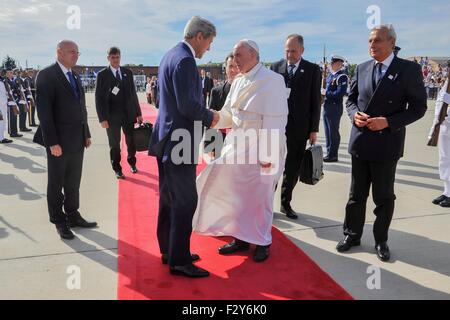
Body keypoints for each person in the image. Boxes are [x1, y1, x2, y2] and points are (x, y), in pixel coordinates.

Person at [336, 24, 427, 261]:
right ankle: (352, 234)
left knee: (383, 197)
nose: (372, 45)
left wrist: (388, 122)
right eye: (369, 41)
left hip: (386, 143)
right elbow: (351, 100)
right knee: (356, 195)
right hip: (361, 142)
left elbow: (418, 108)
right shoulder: (362, 68)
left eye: (377, 41)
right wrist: (354, 114)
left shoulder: (408, 69)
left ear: (391, 42)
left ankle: (380, 240)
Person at [193, 39, 288, 263]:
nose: (234, 60)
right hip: (237, 147)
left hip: (263, 149)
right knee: (237, 196)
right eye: (234, 56)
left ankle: (263, 241)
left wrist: (268, 156)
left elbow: (275, 122)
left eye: (239, 56)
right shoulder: (237, 81)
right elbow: (229, 113)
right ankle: (241, 238)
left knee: (261, 199)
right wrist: (211, 117)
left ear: (254, 56)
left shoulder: (273, 80)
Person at [148, 16, 219, 278]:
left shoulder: (170, 55)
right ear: (199, 36)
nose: (208, 48)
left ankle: (169, 249)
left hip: (166, 139)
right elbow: (187, 105)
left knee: (168, 199)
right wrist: (211, 116)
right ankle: (179, 260)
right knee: (185, 201)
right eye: (209, 42)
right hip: (180, 141)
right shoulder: (186, 60)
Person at [33, 40, 98, 240]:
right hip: (58, 142)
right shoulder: (46, 76)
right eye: (72, 52)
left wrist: (86, 133)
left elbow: (81, 108)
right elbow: (44, 114)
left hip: (77, 140)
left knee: (73, 181)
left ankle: (72, 214)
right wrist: (52, 142)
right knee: (56, 182)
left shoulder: (75, 76)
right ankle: (59, 220)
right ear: (59, 52)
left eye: (77, 52)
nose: (76, 55)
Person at [271, 34, 322, 219]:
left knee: (292, 168)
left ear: (302, 50)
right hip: (276, 125)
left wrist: (313, 129)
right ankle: (267, 202)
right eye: (287, 50)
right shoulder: (276, 67)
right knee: (271, 165)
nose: (289, 54)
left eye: (293, 50)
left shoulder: (312, 70)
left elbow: (316, 102)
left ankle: (286, 203)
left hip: (299, 128)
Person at [95, 47, 143, 179]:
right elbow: (99, 98)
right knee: (114, 144)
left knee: (131, 141)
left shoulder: (127, 72)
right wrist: (102, 118)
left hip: (128, 114)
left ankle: (132, 163)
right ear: (108, 58)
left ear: (120, 57)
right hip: (111, 117)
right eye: (113, 57)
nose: (115, 60)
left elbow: (133, 94)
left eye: (117, 57)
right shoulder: (102, 75)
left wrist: (138, 113)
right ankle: (117, 168)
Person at [203, 53, 239, 158]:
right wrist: (209, 145)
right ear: (225, 68)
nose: (233, 70)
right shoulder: (216, 92)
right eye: (230, 66)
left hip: (243, 142)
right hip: (221, 141)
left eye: (236, 66)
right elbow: (210, 119)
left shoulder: (248, 90)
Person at [322, 54, 348, 162]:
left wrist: (326, 93)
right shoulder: (330, 76)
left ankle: (333, 155)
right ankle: (329, 152)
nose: (331, 65)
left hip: (334, 107)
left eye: (333, 63)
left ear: (339, 64)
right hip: (327, 106)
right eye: (331, 63)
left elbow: (339, 93)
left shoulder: (342, 77)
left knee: (333, 132)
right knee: (327, 131)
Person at [430, 68, 450, 207]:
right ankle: (447, 191)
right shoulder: (447, 82)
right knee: (444, 159)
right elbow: (440, 102)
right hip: (444, 125)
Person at [0, 71, 12, 143]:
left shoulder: (2, 82)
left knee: (3, 121)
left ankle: (2, 137)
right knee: (1, 121)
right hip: (1, 105)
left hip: (3, 104)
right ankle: (1, 138)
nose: (3, 74)